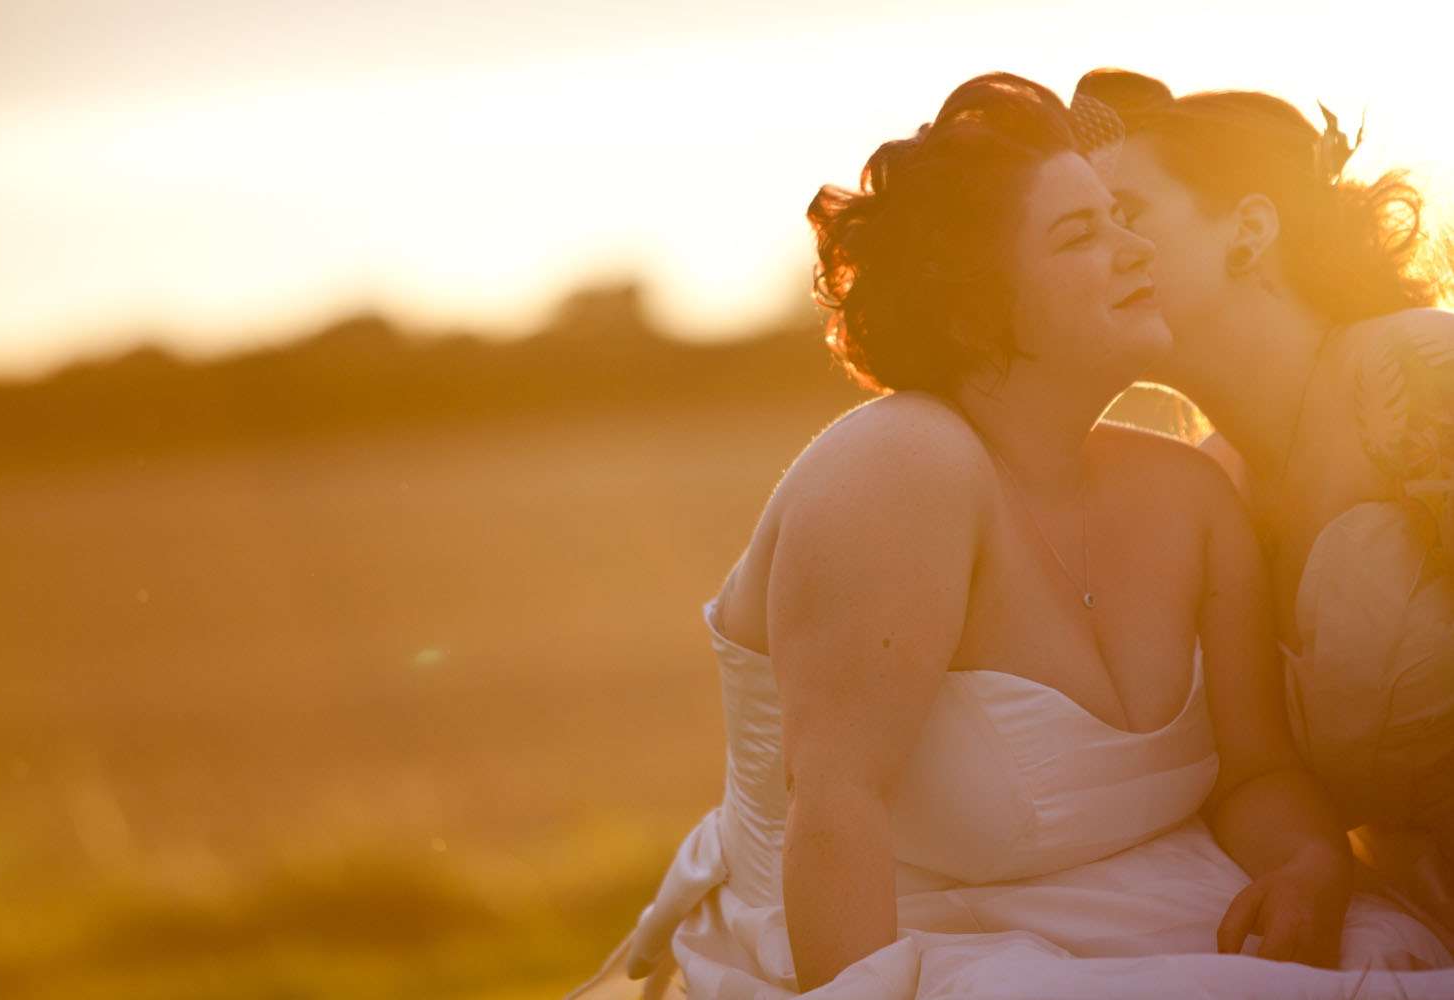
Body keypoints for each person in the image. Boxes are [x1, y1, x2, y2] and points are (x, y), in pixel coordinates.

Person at [565, 73, 1453, 999]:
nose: (1134, 249)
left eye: (1123, 218)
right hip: (910, 936)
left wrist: (1308, 864)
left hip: (1148, 906)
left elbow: (1255, 770)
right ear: (972, 305)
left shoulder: (1190, 490)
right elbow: (834, 807)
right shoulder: (900, 465)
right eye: (1081, 233)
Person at [1075, 67, 1454, 948]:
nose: (1101, 253)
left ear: (1248, 229)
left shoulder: (1416, 378)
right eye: (1081, 228)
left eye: (1127, 213)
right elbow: (1249, 773)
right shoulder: (1208, 489)